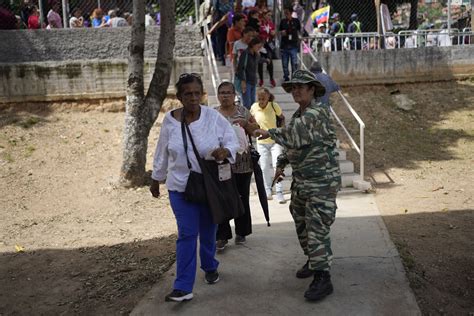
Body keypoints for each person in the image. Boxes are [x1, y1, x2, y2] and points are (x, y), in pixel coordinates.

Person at [150, 73, 240, 302]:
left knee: (208, 234)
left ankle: (210, 265)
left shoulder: (213, 117)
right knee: (187, 234)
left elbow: (232, 139)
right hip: (180, 187)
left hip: (208, 187)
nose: (192, 97)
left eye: (196, 93)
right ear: (179, 96)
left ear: (202, 94)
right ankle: (183, 287)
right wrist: (156, 178)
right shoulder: (169, 121)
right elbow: (162, 151)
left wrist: (226, 151)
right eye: (187, 93)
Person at [253, 70, 341, 302]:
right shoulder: (299, 115)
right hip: (303, 182)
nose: (297, 90)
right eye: (293, 87)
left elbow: (293, 135)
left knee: (316, 227)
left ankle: (323, 277)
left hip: (321, 182)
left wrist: (265, 131)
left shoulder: (317, 113)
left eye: (302, 86)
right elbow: (295, 145)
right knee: (301, 223)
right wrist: (281, 163)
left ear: (313, 90)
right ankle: (314, 260)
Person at [215, 81, 259, 250]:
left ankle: (242, 232)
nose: (225, 95)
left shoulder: (243, 112)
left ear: (234, 96)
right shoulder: (212, 114)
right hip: (221, 164)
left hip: (243, 164)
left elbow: (256, 129)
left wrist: (246, 124)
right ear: (218, 96)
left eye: (228, 92)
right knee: (222, 199)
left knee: (242, 197)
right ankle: (222, 236)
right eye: (222, 93)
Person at [250, 87, 286, 203]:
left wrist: (281, 132)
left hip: (275, 141)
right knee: (264, 167)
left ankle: (279, 191)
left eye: (263, 99)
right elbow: (251, 121)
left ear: (268, 98)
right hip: (261, 142)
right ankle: (268, 190)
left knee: (278, 166)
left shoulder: (274, 106)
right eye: (259, 99)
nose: (261, 102)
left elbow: (282, 118)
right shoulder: (254, 107)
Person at [236, 37, 264, 109]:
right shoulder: (245, 53)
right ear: (253, 45)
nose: (259, 48)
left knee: (253, 103)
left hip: (253, 81)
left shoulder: (256, 55)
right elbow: (241, 68)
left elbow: (259, 61)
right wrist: (243, 81)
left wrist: (265, 60)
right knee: (247, 104)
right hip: (246, 81)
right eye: (258, 46)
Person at [279, 7, 300, 81]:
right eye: (285, 13)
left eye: (287, 13)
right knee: (284, 63)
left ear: (291, 13)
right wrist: (282, 33)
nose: (286, 14)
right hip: (285, 45)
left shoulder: (296, 21)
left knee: (294, 63)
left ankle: (294, 77)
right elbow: (280, 31)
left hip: (293, 45)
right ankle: (286, 76)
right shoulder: (283, 21)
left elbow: (299, 30)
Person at [258, 9, 276, 87]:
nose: (269, 17)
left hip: (269, 44)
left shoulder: (271, 24)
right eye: (268, 15)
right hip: (260, 45)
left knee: (270, 60)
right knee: (260, 62)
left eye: (270, 15)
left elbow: (274, 33)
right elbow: (257, 33)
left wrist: (273, 33)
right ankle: (261, 79)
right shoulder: (259, 24)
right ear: (264, 15)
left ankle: (271, 79)